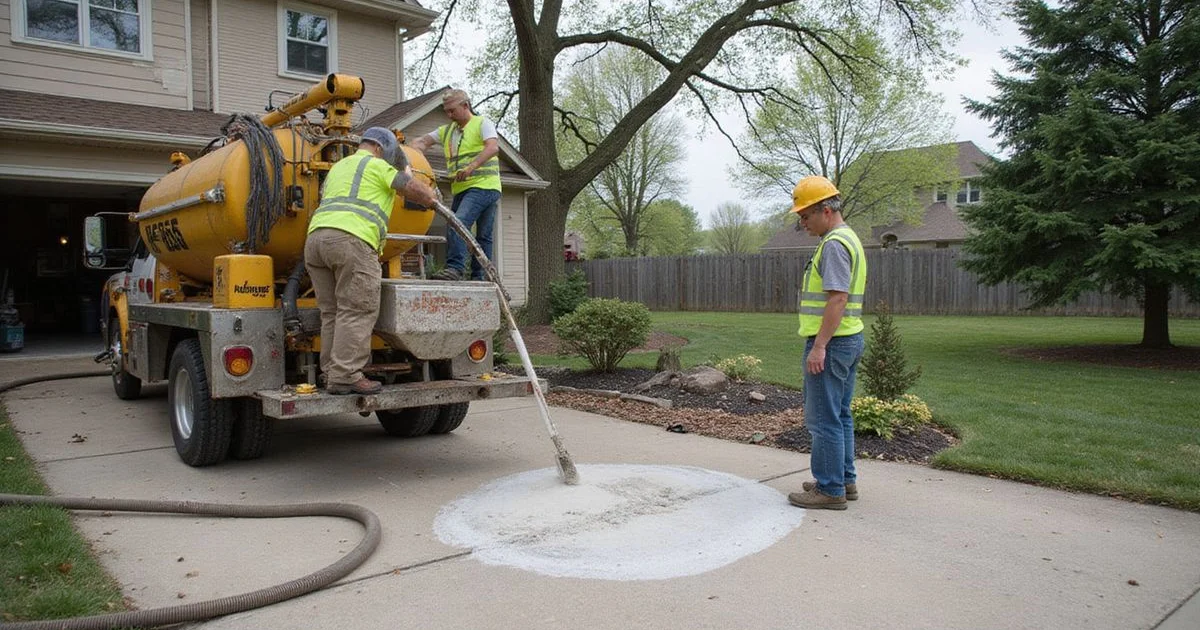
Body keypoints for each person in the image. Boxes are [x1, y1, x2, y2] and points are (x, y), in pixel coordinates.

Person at [305, 127, 438, 395]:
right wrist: (429, 195)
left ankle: (332, 373)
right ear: (380, 149)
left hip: (316, 242)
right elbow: (414, 191)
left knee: (333, 312)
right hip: (352, 240)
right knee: (357, 309)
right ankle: (346, 376)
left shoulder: (338, 168)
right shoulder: (376, 166)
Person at [786, 175, 868, 510]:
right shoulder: (849, 239)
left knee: (822, 418)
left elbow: (837, 299)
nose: (802, 222)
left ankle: (830, 489)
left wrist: (819, 345)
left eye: (805, 215)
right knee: (840, 414)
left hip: (832, 344)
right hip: (849, 338)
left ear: (826, 210)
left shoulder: (834, 244)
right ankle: (843, 480)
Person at [409, 88, 501, 281]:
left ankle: (455, 268)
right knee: (482, 235)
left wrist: (472, 166)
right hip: (462, 188)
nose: (449, 115)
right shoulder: (447, 131)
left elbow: (493, 147)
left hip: (484, 185)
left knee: (457, 223)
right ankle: (479, 277)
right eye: (446, 112)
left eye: (452, 110)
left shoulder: (482, 123)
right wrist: (412, 152)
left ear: (465, 106)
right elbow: (423, 142)